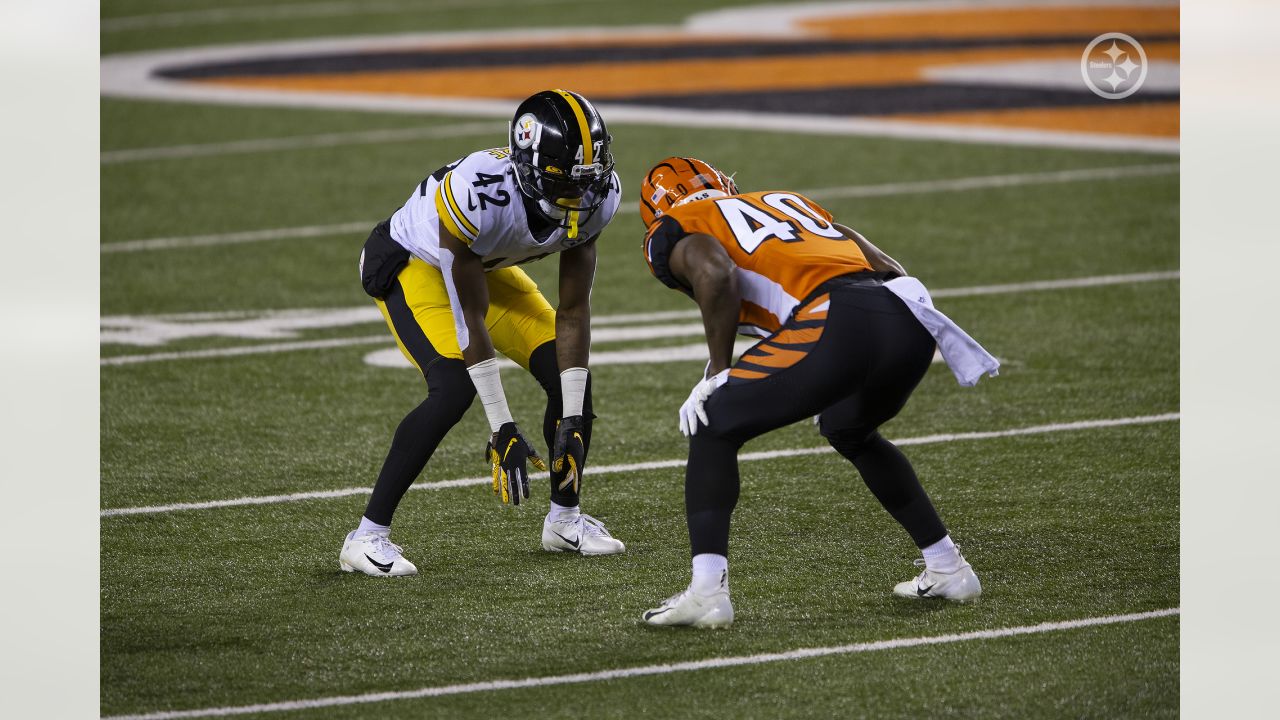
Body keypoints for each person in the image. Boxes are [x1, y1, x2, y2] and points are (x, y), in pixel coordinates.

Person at [636, 157, 999, 627]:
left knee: (713, 422)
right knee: (849, 428)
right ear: (724, 183)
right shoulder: (787, 203)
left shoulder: (675, 227)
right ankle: (948, 566)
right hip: (908, 315)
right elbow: (886, 265)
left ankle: (707, 592)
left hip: (837, 318)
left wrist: (718, 372)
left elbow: (715, 272)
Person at [340, 89, 626, 577]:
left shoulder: (598, 197)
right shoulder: (479, 193)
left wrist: (574, 417)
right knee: (452, 389)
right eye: (565, 182)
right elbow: (469, 316)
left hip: (489, 265)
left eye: (587, 180)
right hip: (421, 265)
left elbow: (573, 311)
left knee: (569, 378)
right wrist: (503, 426)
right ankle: (366, 535)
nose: (580, 196)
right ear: (529, 168)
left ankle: (564, 520)